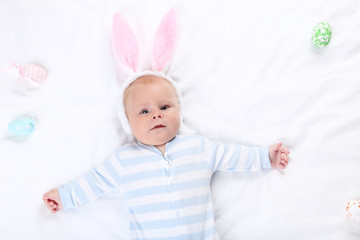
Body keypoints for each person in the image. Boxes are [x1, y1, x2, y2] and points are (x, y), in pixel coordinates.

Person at [43, 72, 290, 240]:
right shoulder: (124, 160)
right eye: (144, 111)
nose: (156, 115)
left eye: (164, 107)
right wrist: (65, 196)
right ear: (128, 123)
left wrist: (266, 157)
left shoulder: (198, 148)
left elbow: (232, 155)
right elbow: (95, 182)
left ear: (178, 110)